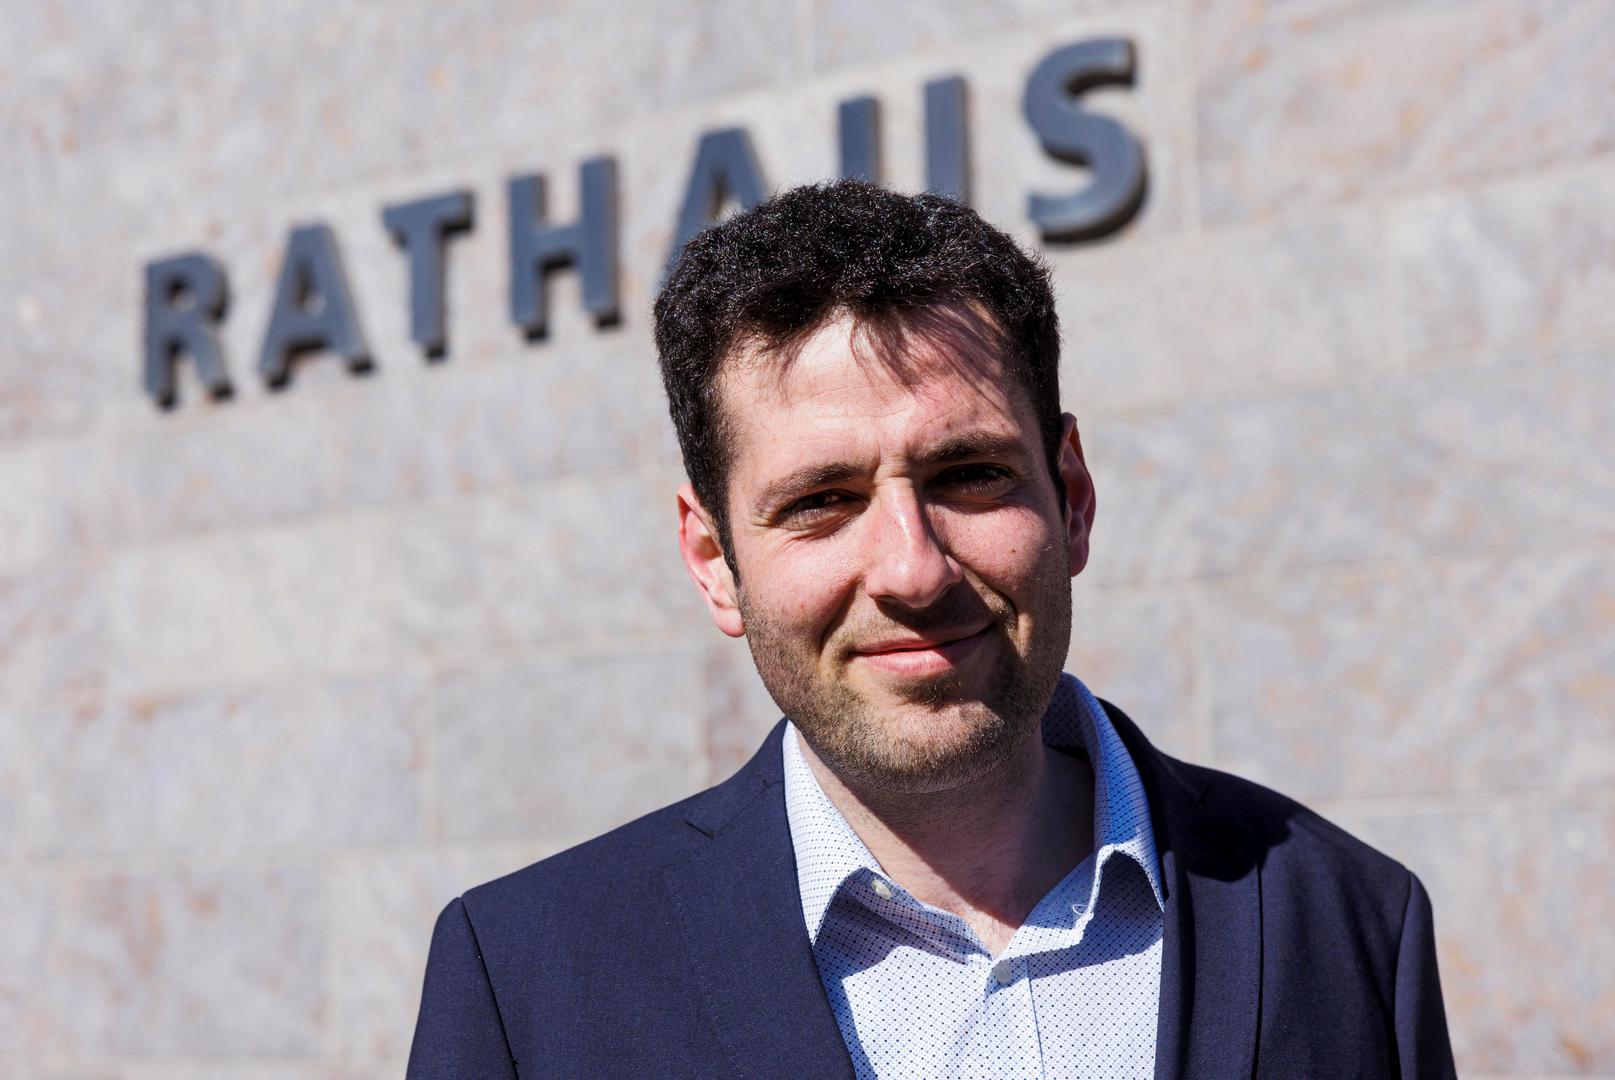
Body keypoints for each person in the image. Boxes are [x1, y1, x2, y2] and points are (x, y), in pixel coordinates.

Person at [403, 181, 1457, 1079]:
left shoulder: (1350, 922)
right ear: (714, 561)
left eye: (969, 475)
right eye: (821, 500)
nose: (912, 569)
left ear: (1072, 498)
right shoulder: (528, 989)